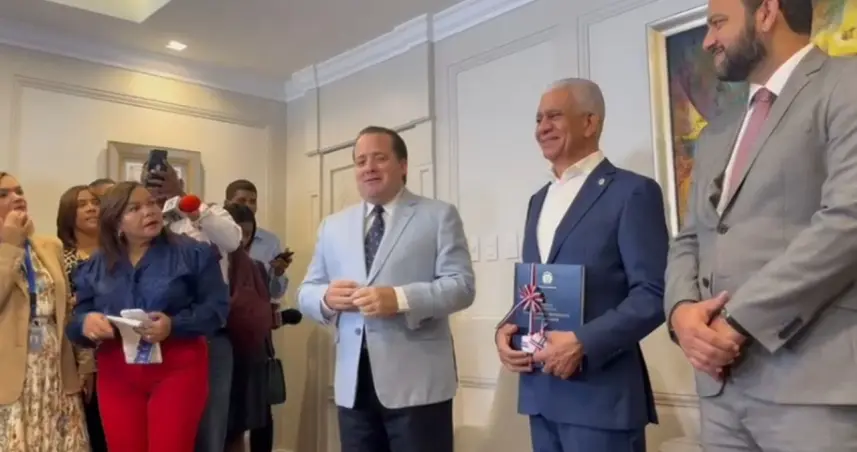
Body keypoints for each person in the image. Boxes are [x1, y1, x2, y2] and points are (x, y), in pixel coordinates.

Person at [665, 0, 857, 450]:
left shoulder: (846, 84)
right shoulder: (716, 131)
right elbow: (690, 237)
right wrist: (681, 312)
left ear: (767, 12)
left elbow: (848, 220)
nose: (708, 40)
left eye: (717, 23)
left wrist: (737, 321)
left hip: (811, 388)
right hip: (719, 391)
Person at [493, 79, 667, 452]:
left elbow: (654, 294)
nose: (542, 127)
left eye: (554, 116)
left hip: (600, 398)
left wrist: (583, 343)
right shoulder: (537, 200)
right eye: (538, 119)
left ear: (589, 122)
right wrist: (505, 330)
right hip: (541, 393)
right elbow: (537, 289)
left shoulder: (632, 192)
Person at [298, 125, 475, 452]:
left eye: (379, 158)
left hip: (418, 387)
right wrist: (325, 298)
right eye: (361, 161)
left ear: (403, 165)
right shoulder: (332, 226)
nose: (368, 168)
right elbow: (306, 290)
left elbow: (461, 286)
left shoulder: (438, 215)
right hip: (353, 387)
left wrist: (400, 298)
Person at [66, 181, 230, 452]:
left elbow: (217, 310)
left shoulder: (193, 252)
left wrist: (174, 325)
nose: (150, 211)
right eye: (135, 208)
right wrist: (86, 323)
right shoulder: (95, 265)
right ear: (116, 221)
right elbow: (75, 321)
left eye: (152, 203)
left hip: (178, 366)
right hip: (116, 370)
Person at [142, 162, 242, 452]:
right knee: (161, 435)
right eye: (149, 180)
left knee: (208, 431)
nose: (157, 186)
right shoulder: (140, 224)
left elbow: (233, 240)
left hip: (206, 336)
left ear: (179, 180)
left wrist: (185, 200)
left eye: (164, 178)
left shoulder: (204, 212)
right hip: (153, 340)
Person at [0, 172, 90, 451]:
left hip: (55, 368)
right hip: (10, 375)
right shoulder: (7, 249)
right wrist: (9, 245)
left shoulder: (49, 245)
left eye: (19, 191)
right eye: (3, 194)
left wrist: (85, 360)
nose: (17, 198)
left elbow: (67, 309)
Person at [224, 178, 290, 452]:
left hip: (257, 331)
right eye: (242, 200)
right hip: (223, 335)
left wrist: (278, 273)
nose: (249, 205)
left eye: (253, 201)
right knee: (227, 413)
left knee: (260, 406)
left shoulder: (269, 241)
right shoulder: (210, 242)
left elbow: (274, 293)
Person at [56, 184, 107, 452]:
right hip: (77, 354)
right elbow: (65, 312)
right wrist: (85, 362)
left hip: (118, 348)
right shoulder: (60, 257)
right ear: (68, 213)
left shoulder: (118, 252)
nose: (91, 209)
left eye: (95, 203)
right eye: (82, 204)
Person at [222, 203, 275, 452]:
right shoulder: (206, 263)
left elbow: (263, 310)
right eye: (237, 232)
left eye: (247, 234)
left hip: (250, 355)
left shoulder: (257, 268)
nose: (242, 240)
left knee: (242, 426)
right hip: (220, 352)